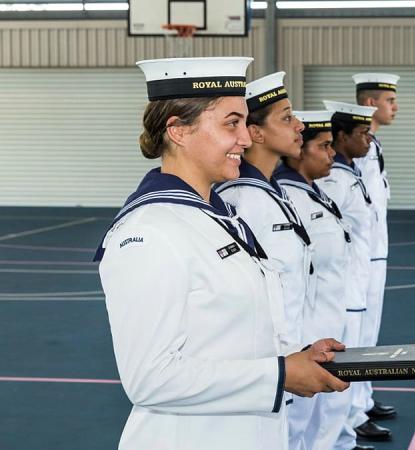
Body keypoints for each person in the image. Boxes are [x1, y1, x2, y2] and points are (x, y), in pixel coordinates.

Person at [95, 57, 348, 450]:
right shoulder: (149, 233)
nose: (245, 140)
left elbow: (231, 337)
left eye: (245, 123)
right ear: (178, 130)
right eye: (231, 123)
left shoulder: (217, 215)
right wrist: (280, 375)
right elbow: (150, 379)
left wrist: (298, 357)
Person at [212, 71, 318, 450]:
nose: (299, 125)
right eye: (286, 117)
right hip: (271, 364)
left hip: (295, 354)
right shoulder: (243, 198)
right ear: (255, 134)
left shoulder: (270, 191)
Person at [275, 110, 365, 450]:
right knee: (298, 422)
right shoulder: (287, 197)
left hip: (333, 318)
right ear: (300, 150)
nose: (331, 154)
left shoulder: (316, 192)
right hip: (308, 328)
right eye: (323, 147)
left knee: (327, 411)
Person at [318, 100, 391, 445]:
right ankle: (345, 429)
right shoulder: (333, 180)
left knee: (362, 348)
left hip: (362, 276)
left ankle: (354, 416)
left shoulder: (350, 173)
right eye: (360, 133)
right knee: (345, 360)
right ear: (341, 137)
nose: (367, 139)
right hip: (345, 286)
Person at [351, 72, 401, 429]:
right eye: (390, 101)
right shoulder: (355, 150)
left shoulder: (373, 145)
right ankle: (351, 414)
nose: (395, 107)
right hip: (359, 255)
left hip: (375, 252)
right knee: (357, 334)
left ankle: (361, 399)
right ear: (371, 103)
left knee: (369, 333)